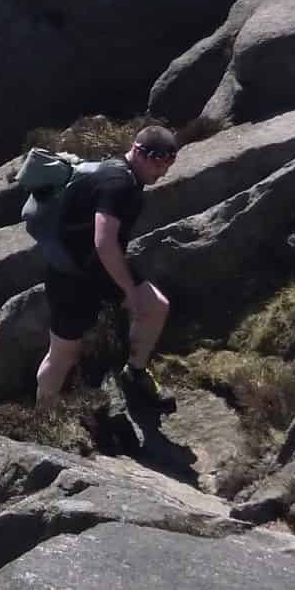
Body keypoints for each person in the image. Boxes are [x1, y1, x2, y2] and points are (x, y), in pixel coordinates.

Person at [26, 125, 178, 413]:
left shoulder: (127, 175)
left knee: (156, 306)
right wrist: (129, 292)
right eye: (158, 164)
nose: (163, 173)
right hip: (71, 276)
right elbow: (104, 241)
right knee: (63, 355)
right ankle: (42, 418)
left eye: (168, 165)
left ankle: (134, 373)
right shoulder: (117, 183)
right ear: (139, 152)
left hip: (98, 268)